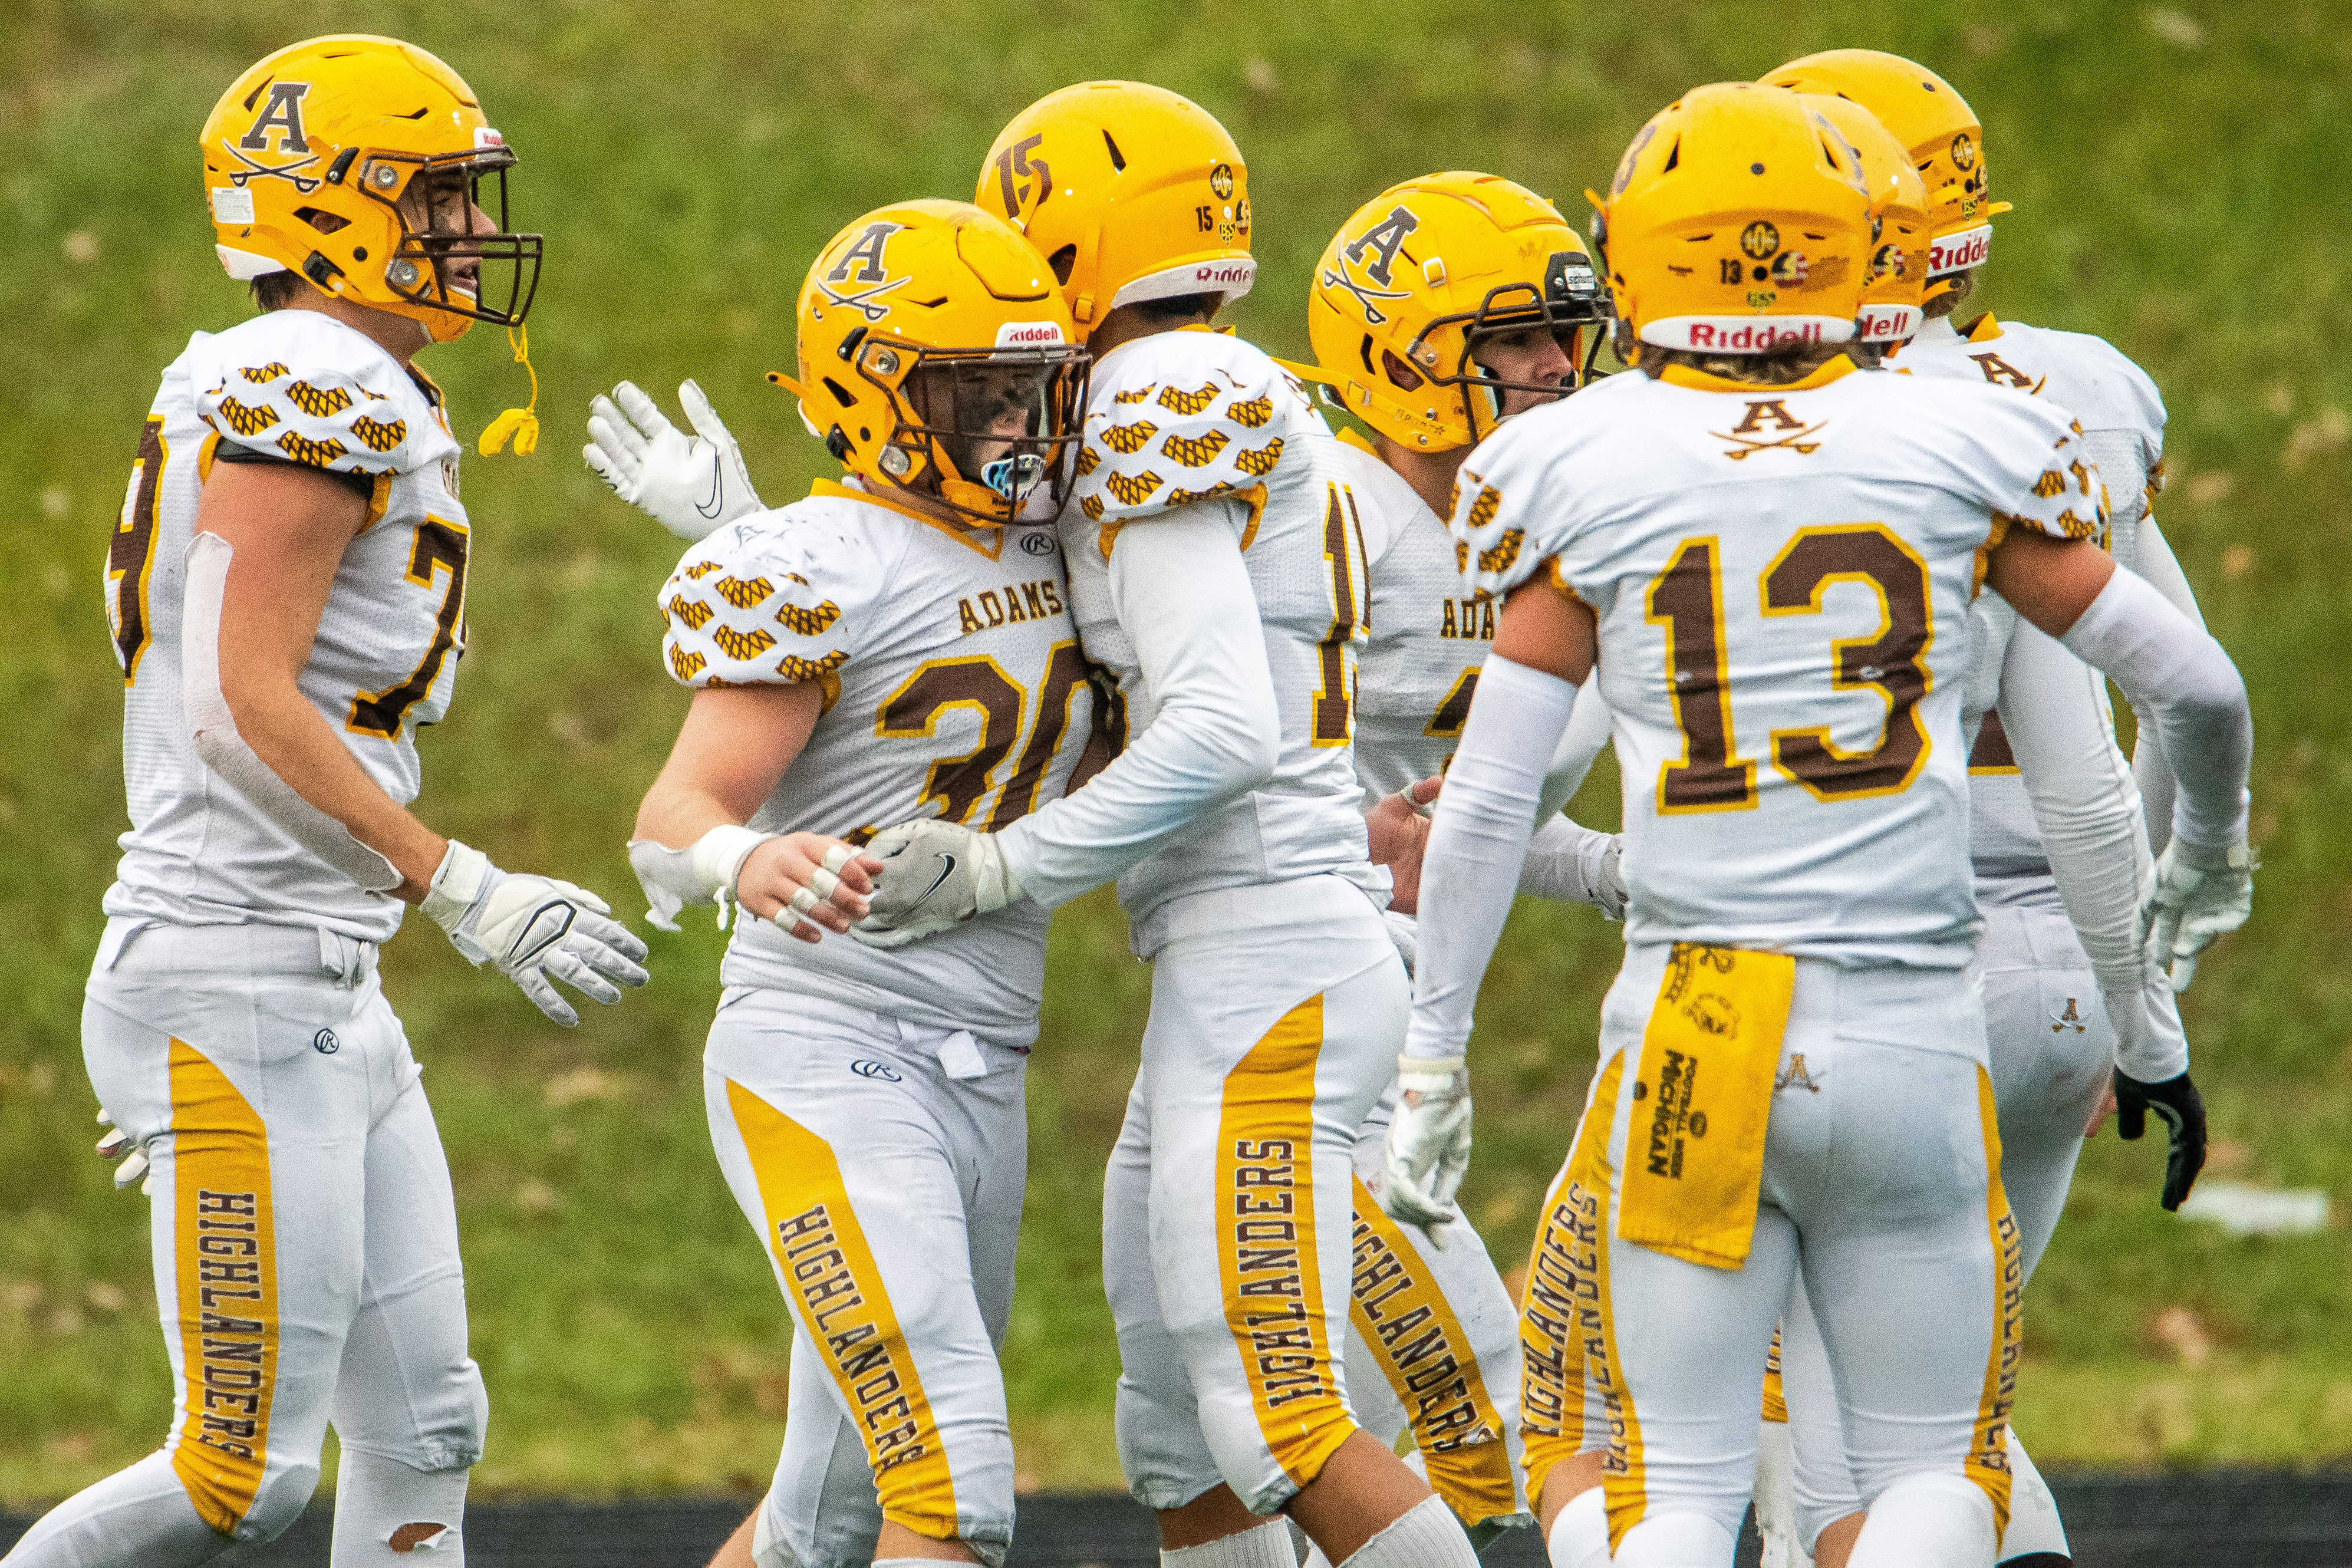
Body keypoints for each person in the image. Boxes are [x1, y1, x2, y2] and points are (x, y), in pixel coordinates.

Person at [1382, 81, 2252, 1567]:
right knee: (1927, 1472)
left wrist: (1433, 1058)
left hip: (1702, 1015)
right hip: (1916, 1012)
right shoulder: (1967, 439)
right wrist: (2208, 868)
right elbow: (2200, 688)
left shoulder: (1579, 464)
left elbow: (1479, 813)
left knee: (1687, 1482)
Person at [12, 34, 649, 1568]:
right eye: (429, 202)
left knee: (427, 1428)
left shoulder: (342, 377)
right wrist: (461, 878)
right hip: (231, 964)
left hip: (308, 976)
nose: (464, 234)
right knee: (241, 1472)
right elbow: (234, 705)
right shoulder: (308, 376)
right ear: (322, 212)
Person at [854, 81, 1480, 1568]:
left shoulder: (1152, 398)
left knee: (1277, 1415)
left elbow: (1215, 727)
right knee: (1175, 1433)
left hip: (1271, 943)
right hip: (1241, 952)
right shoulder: (1189, 389)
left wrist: (1007, 862)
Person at [1751, 52, 2239, 1568]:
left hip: (1871, 966)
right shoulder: (2065, 393)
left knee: (1812, 1444)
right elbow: (2179, 689)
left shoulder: (1799, 432)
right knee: (1954, 1412)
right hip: (2061, 983)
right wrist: (2143, 980)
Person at [620, 200, 1100, 1568]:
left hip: (984, 1059)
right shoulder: (815, 565)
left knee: (820, 1519)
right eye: (983, 396)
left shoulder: (1050, 542)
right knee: (953, 1484)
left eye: (1033, 391)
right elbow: (672, 813)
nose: (1022, 428)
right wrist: (748, 854)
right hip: (827, 1049)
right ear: (872, 392)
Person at [1301, 170, 1623, 1554]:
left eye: (1562, 334)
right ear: (1398, 351)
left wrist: (1636, 873)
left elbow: (1468, 829)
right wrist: (1333, 840)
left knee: (1304, 1440)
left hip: (1407, 1014)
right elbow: (1136, 747)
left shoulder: (1568, 512)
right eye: (1509, 340)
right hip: (1295, 1012)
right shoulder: (1315, 515)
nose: (1555, 366)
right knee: (1509, 1399)